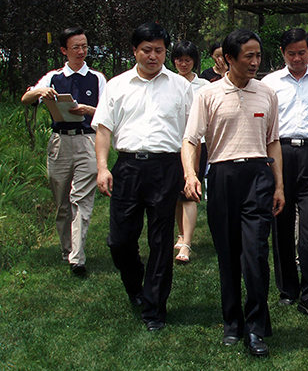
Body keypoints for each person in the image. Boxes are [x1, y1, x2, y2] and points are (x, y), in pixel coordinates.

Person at [182, 28, 284, 356]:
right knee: (227, 255)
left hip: (258, 176)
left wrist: (279, 184)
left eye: (258, 55)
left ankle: (256, 327)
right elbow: (191, 140)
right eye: (248, 56)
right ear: (229, 58)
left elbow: (273, 141)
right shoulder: (208, 95)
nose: (256, 62)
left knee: (255, 254)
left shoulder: (267, 93)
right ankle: (232, 322)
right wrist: (190, 175)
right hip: (223, 175)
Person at [92, 22, 194, 331]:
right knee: (119, 241)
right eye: (146, 50)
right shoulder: (118, 85)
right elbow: (103, 128)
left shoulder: (181, 86)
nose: (153, 56)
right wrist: (102, 167)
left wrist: (189, 172)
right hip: (128, 168)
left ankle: (155, 309)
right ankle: (135, 287)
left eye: (159, 50)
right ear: (135, 51)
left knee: (161, 241)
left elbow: (191, 135)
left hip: (166, 167)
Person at [21, 26, 106, 276]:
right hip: (60, 142)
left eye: (85, 46)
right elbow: (27, 100)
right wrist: (39, 92)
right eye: (76, 47)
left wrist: (88, 110)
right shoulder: (53, 77)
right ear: (64, 50)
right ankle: (66, 248)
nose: (81, 52)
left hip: (86, 141)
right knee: (62, 202)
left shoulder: (97, 78)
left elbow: (108, 112)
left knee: (81, 199)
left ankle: (77, 257)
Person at [262, 29, 308, 319]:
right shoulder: (269, 84)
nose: (297, 58)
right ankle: (288, 289)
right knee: (280, 223)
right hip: (279, 154)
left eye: (302, 52)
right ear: (282, 53)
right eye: (291, 53)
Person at [171, 41, 210, 265]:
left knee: (190, 192)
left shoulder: (203, 86)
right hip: (173, 144)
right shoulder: (169, 83)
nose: (183, 63)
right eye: (178, 59)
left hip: (198, 143)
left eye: (187, 59)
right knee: (177, 192)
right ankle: (181, 233)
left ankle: (186, 242)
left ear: (194, 60)